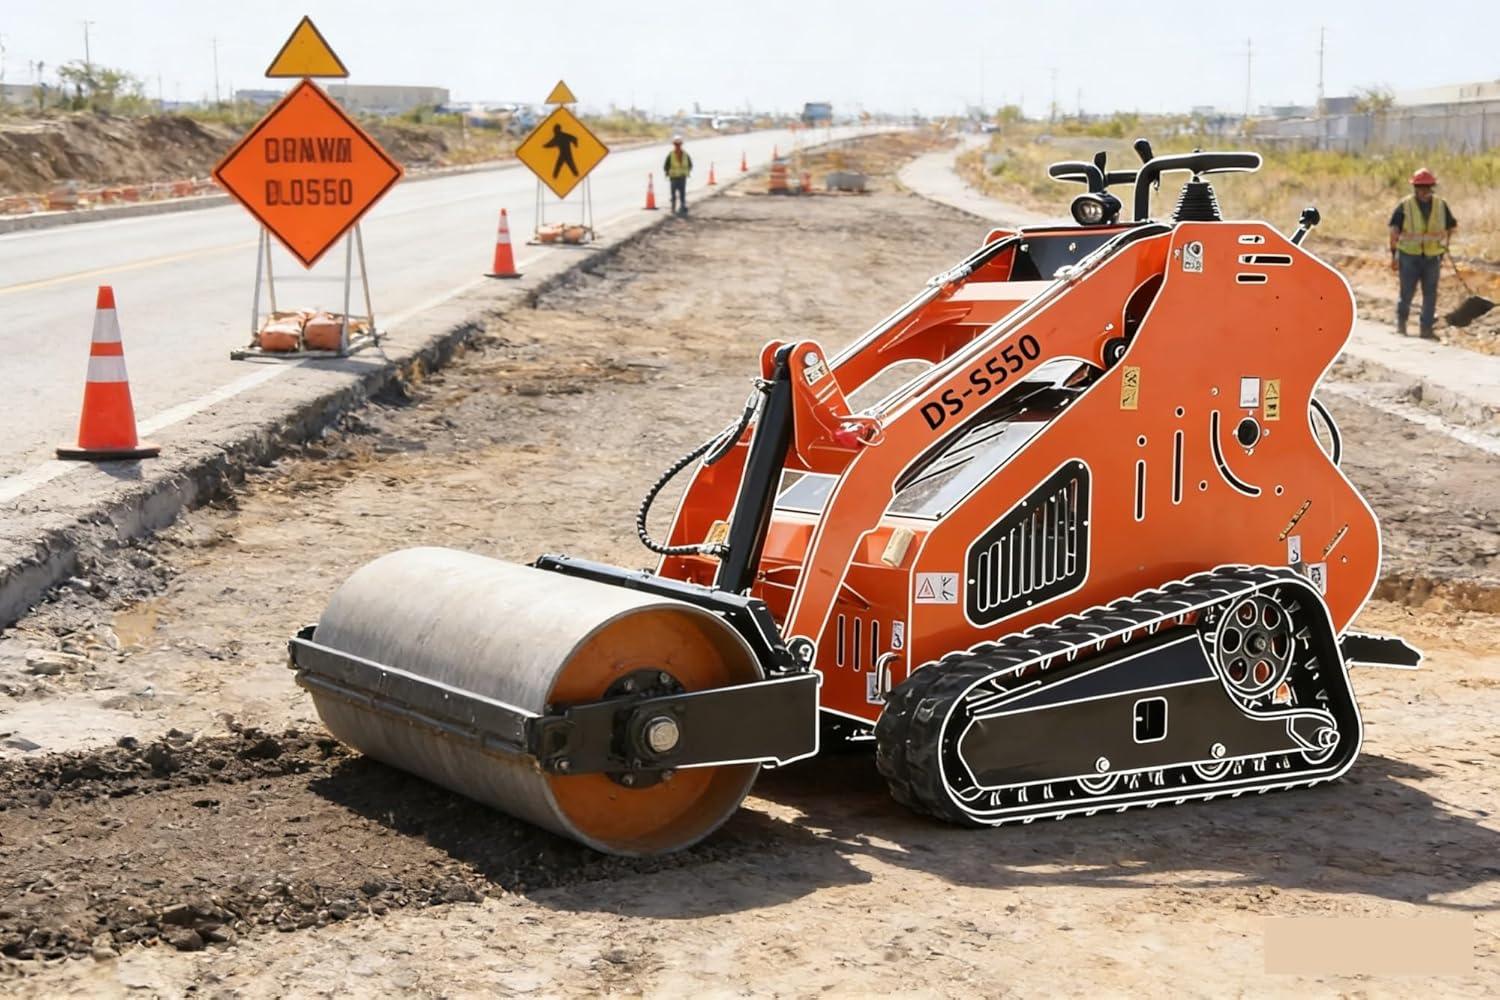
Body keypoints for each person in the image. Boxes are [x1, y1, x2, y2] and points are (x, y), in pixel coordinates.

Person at [1388, 167, 1457, 339]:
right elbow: (1394, 232)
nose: (1425, 191)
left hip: (1432, 257)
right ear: (1415, 188)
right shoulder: (1405, 206)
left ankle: (1426, 330)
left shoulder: (1441, 205)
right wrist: (1394, 256)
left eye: (1428, 187)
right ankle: (1401, 327)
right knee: (1407, 293)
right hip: (1409, 256)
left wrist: (1443, 245)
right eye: (1422, 187)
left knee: (1430, 293)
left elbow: (1451, 226)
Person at [663, 135, 693, 215]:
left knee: (682, 193)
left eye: (679, 144)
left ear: (681, 145)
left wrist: (686, 172)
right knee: (673, 193)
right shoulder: (671, 155)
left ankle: (682, 206)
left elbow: (690, 164)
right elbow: (666, 165)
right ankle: (673, 207)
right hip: (673, 177)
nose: (677, 146)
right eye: (676, 144)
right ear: (674, 145)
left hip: (682, 177)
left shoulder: (685, 155)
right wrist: (668, 173)